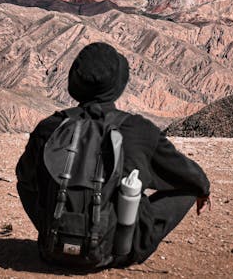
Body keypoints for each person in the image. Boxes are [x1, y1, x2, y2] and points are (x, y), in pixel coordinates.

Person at [16, 42, 211, 267]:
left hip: (53, 246)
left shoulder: (50, 128)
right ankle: (121, 242)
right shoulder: (139, 130)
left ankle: (61, 237)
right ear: (118, 84)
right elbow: (183, 172)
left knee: (27, 183)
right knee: (189, 186)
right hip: (119, 253)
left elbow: (25, 178)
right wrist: (202, 189)